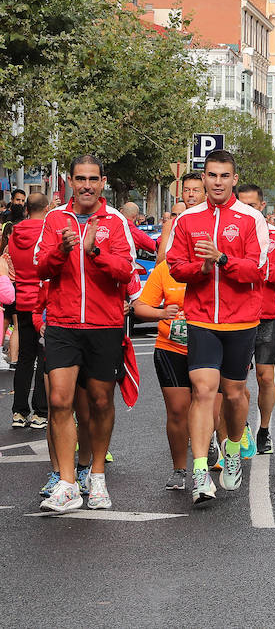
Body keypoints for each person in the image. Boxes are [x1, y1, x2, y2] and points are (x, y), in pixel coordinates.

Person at [165, 149, 268, 506]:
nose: (218, 182)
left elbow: (258, 269)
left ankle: (235, 448)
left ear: (234, 179)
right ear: (203, 178)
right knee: (203, 390)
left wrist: (222, 260)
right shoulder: (188, 219)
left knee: (235, 394)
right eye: (212, 175)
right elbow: (175, 265)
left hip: (241, 319)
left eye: (225, 176)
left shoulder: (252, 218)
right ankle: (199, 472)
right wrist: (202, 269)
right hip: (201, 317)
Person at [35, 155, 136, 512]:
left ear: (103, 181)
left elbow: (126, 271)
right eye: (81, 179)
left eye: (93, 179)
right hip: (62, 323)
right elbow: (40, 267)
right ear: (71, 181)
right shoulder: (54, 219)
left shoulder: (116, 221)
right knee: (60, 401)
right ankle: (66, 483)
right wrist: (62, 250)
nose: (87, 185)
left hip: (104, 325)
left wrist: (96, 252)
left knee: (100, 403)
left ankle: (96, 476)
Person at [235, 183, 275, 455]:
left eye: (253, 206)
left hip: (266, 316)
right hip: (236, 316)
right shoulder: (229, 233)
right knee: (235, 382)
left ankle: (264, 430)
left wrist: (255, 269)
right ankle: (241, 426)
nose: (248, 210)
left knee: (265, 377)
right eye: (242, 205)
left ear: (262, 206)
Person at [133, 258, 192, 488]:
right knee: (178, 411)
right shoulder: (165, 268)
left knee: (210, 411)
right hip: (171, 347)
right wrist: (162, 313)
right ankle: (179, 469)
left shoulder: (212, 262)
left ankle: (206, 454)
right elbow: (140, 307)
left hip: (209, 346)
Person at [9, 191, 49, 430]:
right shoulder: (46, 232)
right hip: (43, 301)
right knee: (44, 357)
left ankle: (19, 411)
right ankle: (40, 411)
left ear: (26, 209)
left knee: (25, 357)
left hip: (22, 299)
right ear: (45, 209)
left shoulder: (14, 234)